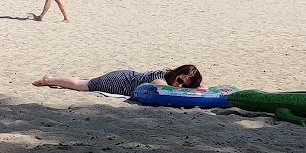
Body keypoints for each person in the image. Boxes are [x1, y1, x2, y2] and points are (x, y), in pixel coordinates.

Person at [33, 64, 203, 95]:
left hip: (126, 76)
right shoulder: (160, 80)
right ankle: (49, 80)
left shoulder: (167, 75)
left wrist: (195, 87)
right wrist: (193, 90)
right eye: (180, 81)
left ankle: (54, 78)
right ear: (177, 73)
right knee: (81, 85)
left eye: (184, 85)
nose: (179, 86)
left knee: (85, 81)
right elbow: (167, 90)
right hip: (119, 82)